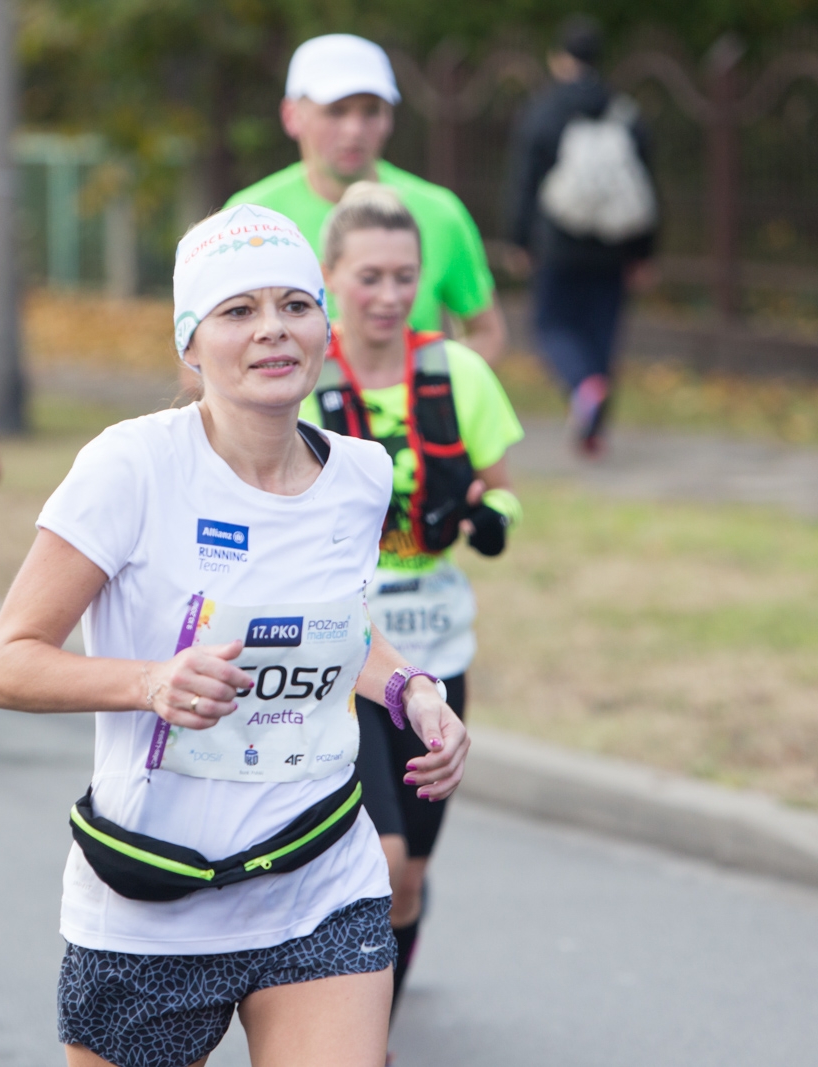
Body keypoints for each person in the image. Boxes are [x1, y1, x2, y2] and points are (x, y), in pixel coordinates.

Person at [0, 202, 469, 1067]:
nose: (272, 330)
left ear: (324, 323)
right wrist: (148, 682)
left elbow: (337, 623)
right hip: (153, 891)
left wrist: (409, 688)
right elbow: (5, 664)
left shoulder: (359, 474)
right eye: (238, 310)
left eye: (294, 305)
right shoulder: (132, 467)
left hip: (320, 874)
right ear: (190, 343)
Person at [300, 182, 522, 1017]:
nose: (388, 296)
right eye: (369, 277)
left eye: (404, 276)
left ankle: (379, 985)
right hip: (343, 652)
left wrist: (485, 518)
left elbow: (504, 496)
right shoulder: (304, 370)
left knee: (411, 876)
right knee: (383, 854)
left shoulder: (457, 371)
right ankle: (358, 1027)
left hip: (438, 646)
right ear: (331, 276)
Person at [226, 34, 508, 363]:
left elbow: (485, 331)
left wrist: (430, 387)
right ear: (292, 115)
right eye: (336, 111)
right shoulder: (248, 220)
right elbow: (203, 348)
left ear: (390, 118)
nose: (354, 130)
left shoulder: (439, 213)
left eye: (371, 111)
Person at [505, 16, 658, 455]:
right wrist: (643, 252)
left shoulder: (546, 110)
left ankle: (582, 385)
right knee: (601, 333)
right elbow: (646, 186)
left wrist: (520, 240)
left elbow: (525, 181)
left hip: (559, 245)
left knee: (551, 325)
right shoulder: (623, 110)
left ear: (559, 60)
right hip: (614, 246)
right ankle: (594, 427)